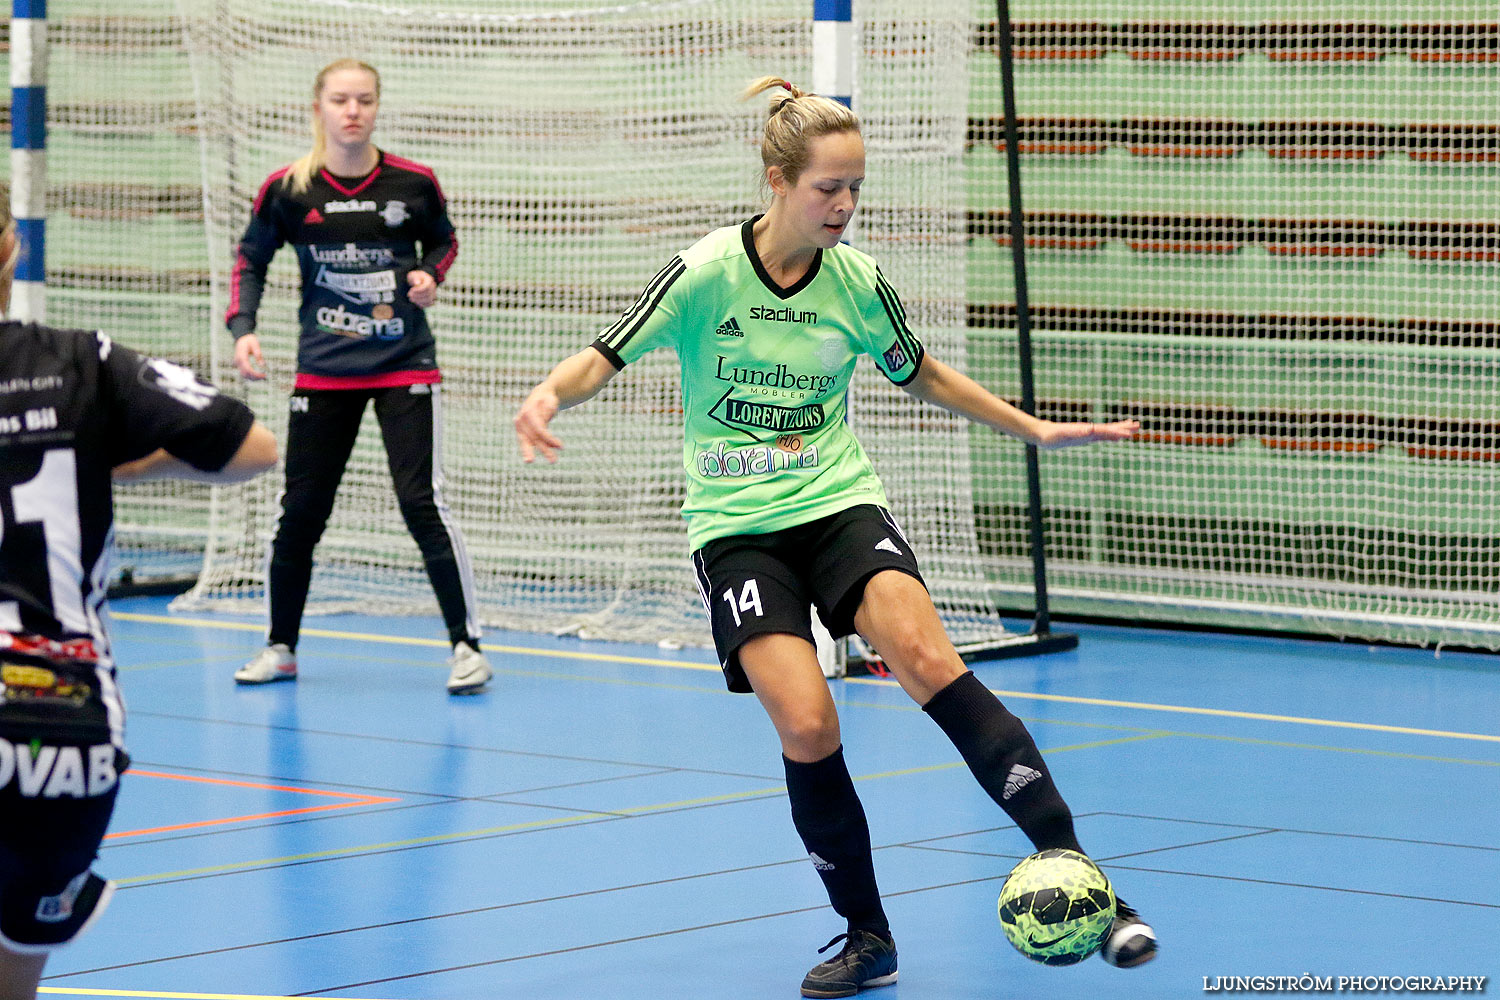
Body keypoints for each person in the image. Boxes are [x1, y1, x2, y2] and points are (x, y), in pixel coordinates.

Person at [515, 77, 1156, 996]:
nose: (845, 205)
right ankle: (866, 935)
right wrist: (548, 393)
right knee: (809, 722)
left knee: (930, 658)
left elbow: (920, 371)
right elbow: (605, 354)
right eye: (827, 187)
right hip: (737, 530)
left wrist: (1037, 430)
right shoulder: (706, 273)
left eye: (856, 186)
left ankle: (1092, 885)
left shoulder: (855, 283)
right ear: (776, 180)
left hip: (837, 503)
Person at [0, 192, 278, 999]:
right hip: (65, 723)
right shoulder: (82, 359)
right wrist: (117, 460)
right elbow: (251, 446)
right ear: (12, 247)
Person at [226, 58, 491, 695]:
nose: (353, 111)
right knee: (301, 513)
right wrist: (244, 328)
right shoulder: (287, 190)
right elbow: (251, 260)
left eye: (364, 100)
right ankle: (280, 646)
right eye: (341, 100)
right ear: (318, 106)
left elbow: (444, 242)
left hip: (405, 368)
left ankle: (467, 647)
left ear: (376, 107)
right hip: (323, 373)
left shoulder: (414, 182)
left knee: (421, 502)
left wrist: (432, 276)